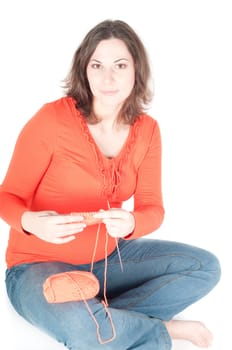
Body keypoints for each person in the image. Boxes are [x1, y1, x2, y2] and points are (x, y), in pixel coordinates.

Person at [0, 19, 220, 350]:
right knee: (82, 329)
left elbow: (152, 208)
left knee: (205, 267)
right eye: (97, 65)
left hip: (106, 261)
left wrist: (132, 222)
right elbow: (7, 196)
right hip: (35, 268)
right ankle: (162, 330)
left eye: (120, 65)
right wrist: (32, 223)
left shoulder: (148, 131)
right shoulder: (51, 121)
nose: (108, 78)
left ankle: (103, 318)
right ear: (84, 70)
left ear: (136, 70)